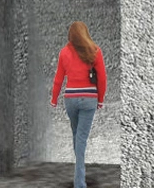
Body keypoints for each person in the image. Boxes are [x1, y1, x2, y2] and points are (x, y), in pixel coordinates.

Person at [50, 21, 107, 188]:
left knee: (77, 135)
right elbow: (102, 78)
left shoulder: (64, 52)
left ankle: (79, 172)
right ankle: (80, 183)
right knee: (81, 138)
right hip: (89, 100)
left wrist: (54, 99)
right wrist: (100, 99)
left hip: (71, 100)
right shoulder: (95, 51)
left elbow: (58, 78)